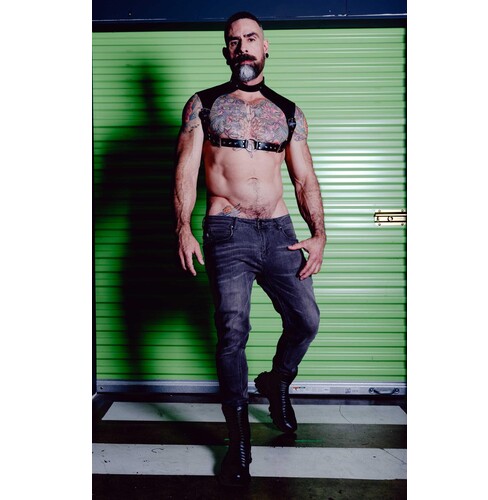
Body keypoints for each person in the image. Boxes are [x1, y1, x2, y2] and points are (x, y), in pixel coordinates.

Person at [174, 11, 326, 487]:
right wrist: (183, 227)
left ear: (265, 47)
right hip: (228, 230)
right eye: (234, 40)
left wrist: (319, 233)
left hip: (279, 231)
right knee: (232, 330)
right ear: (227, 51)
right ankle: (238, 441)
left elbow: (303, 178)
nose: (243, 45)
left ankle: (278, 379)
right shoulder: (204, 105)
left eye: (251, 37)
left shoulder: (288, 111)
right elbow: (186, 170)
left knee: (306, 319)